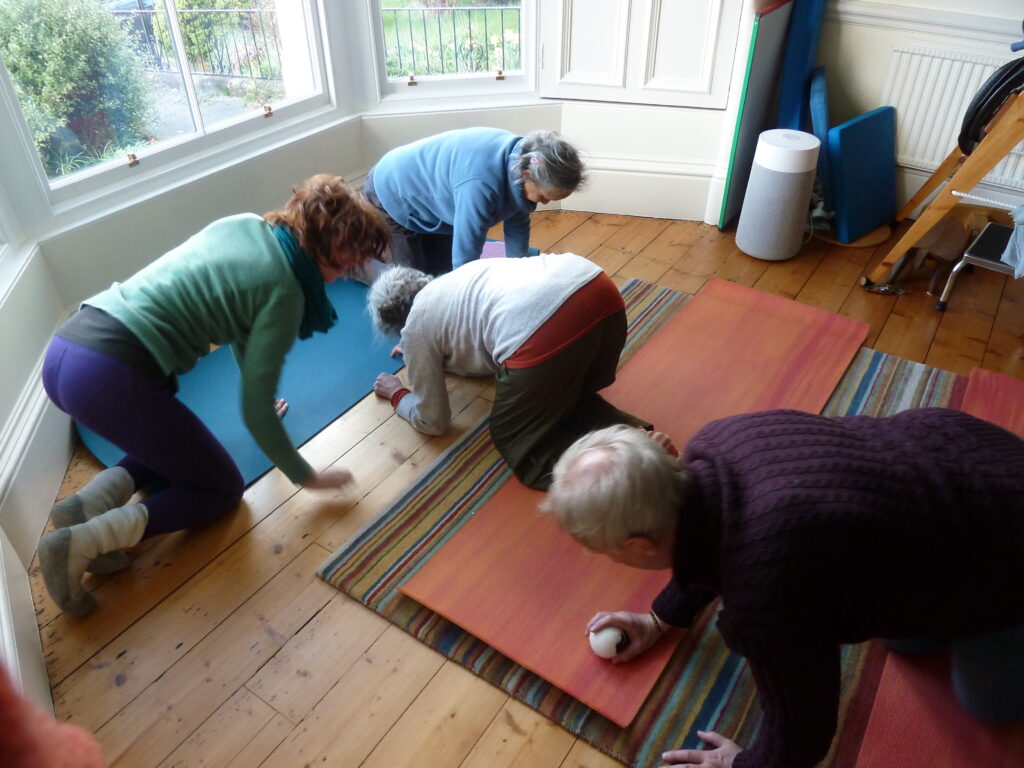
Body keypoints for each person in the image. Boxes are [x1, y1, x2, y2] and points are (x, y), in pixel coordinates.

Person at [541, 409, 1024, 768]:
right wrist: (659, 618)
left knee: (989, 703)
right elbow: (709, 536)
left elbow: (803, 733)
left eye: (605, 550)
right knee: (902, 632)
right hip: (972, 453)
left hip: (1008, 549)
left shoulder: (765, 598)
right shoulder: (716, 443)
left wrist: (742, 764)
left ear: (639, 546)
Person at [38, 174, 390, 616]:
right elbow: (254, 411)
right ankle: (79, 543)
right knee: (220, 488)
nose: (344, 275)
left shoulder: (247, 225)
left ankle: (84, 506)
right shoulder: (286, 294)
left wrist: (263, 397)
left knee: (177, 445)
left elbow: (243, 325)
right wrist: (306, 475)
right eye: (347, 264)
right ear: (330, 248)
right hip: (110, 374)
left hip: (69, 348)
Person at [367, 253, 649, 489]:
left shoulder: (417, 327)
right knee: (562, 400)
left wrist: (398, 394)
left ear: (397, 324)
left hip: (549, 333)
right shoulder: (456, 281)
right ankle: (641, 439)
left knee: (518, 440)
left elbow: (433, 421)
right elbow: (478, 348)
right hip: (602, 297)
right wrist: (426, 353)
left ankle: (625, 478)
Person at [362, 127, 585, 275]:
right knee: (413, 284)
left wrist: (520, 276)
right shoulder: (481, 186)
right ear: (527, 175)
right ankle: (363, 257)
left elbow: (518, 224)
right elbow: (465, 260)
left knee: (441, 272)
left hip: (435, 197)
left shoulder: (523, 161)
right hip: (390, 194)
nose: (544, 204)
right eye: (545, 197)